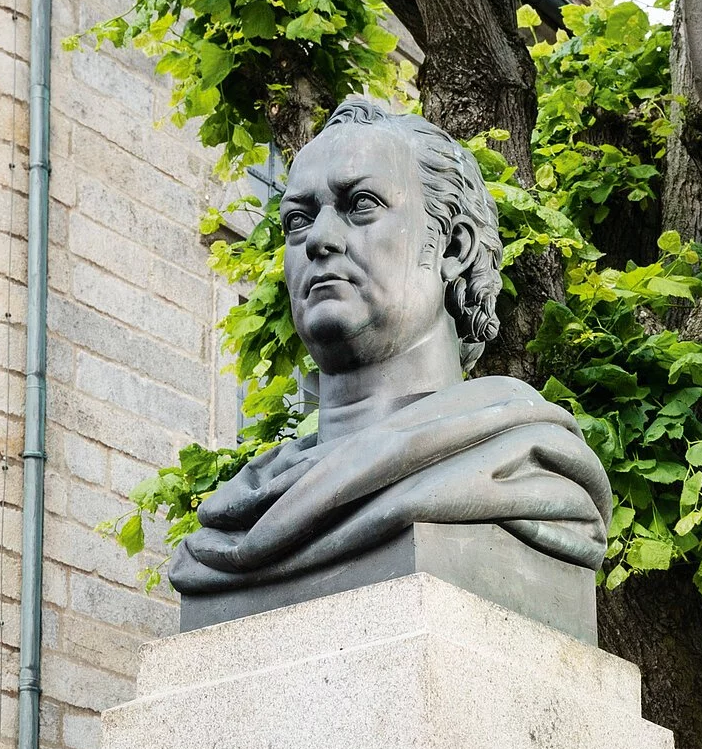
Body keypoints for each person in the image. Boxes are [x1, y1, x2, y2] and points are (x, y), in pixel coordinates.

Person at [165, 97, 611, 614]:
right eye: (297, 220)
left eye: (360, 205)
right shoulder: (239, 513)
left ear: (453, 248)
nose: (319, 241)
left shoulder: (522, 464)